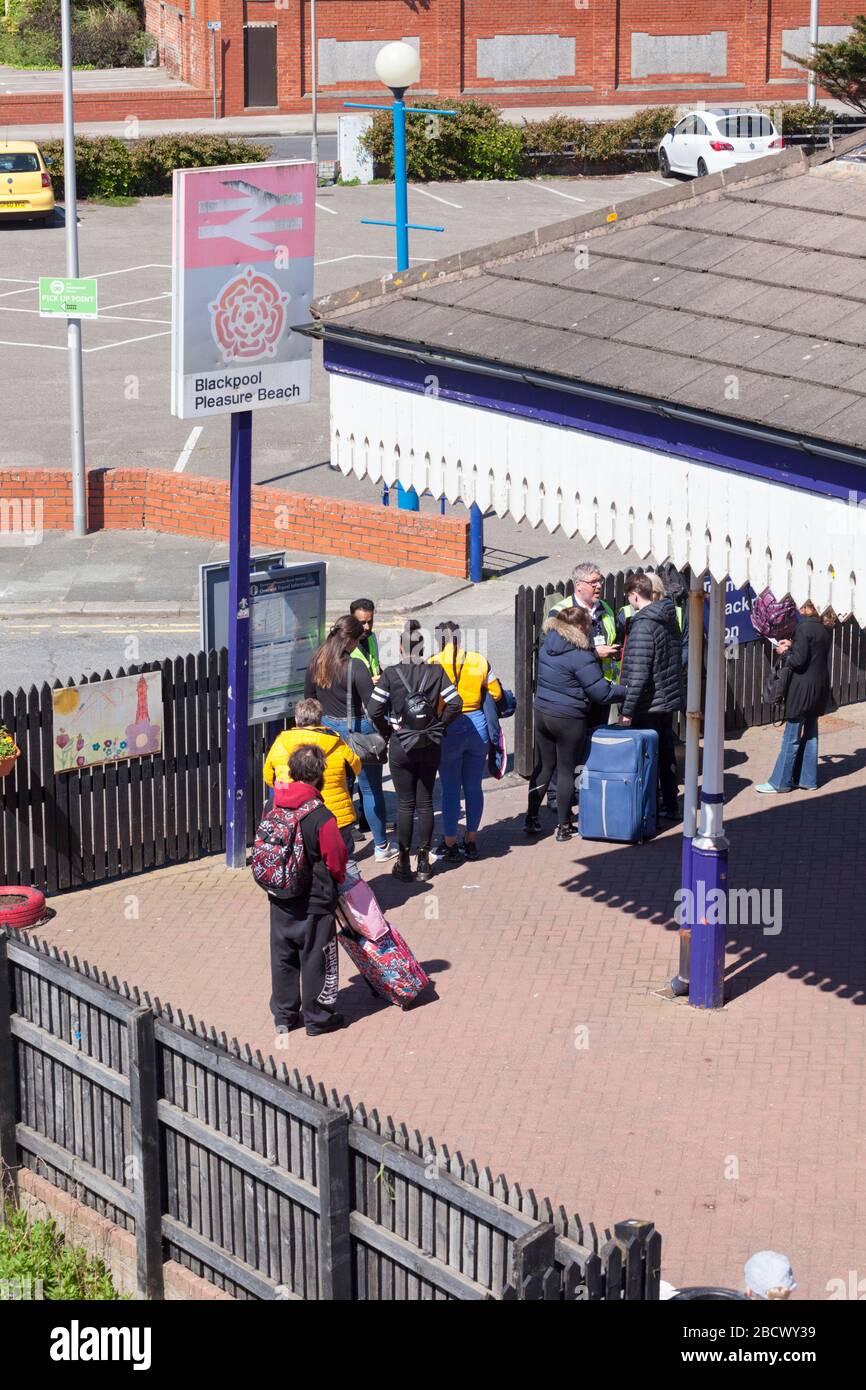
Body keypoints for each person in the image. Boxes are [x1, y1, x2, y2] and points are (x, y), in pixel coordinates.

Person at [367, 619, 462, 882]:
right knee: (426, 801)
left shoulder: (390, 674)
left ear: (400, 648)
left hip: (401, 743)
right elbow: (456, 703)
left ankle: (403, 862)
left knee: (405, 803)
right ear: (422, 650)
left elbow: (374, 710)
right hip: (430, 743)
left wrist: (388, 731)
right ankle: (424, 861)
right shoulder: (436, 671)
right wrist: (439, 726)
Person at [267, 744, 348, 1038]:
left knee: (283, 955)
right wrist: (337, 881)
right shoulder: (321, 816)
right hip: (314, 899)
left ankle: (285, 1015)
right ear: (319, 776)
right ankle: (318, 1018)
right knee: (316, 956)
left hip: (279, 895)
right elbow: (336, 858)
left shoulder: (274, 804)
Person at [525, 605, 625, 839]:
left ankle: (531, 818)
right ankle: (564, 826)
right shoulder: (581, 655)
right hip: (568, 717)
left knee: (544, 766)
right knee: (566, 770)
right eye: (589, 626)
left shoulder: (548, 644)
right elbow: (601, 693)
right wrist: (626, 691)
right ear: (581, 627)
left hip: (542, 712)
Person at [305, 615, 396, 862]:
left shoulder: (316, 662)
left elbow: (309, 699)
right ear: (351, 641)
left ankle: (332, 845)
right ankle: (380, 847)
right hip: (358, 731)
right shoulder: (355, 667)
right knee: (370, 790)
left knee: (332, 788)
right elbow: (372, 706)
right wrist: (386, 732)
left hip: (327, 732)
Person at [428, 622, 502, 862]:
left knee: (450, 788)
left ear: (439, 640)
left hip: (448, 727)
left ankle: (449, 844)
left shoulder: (432, 663)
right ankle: (471, 842)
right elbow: (497, 693)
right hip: (477, 724)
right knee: (473, 786)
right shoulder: (478, 660)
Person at [263, 697, 361, 876]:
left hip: (295, 817)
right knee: (345, 862)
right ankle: (356, 901)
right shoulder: (335, 741)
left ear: (296, 719)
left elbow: (268, 777)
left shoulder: (280, 742)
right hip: (335, 814)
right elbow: (356, 767)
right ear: (319, 719)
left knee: (300, 864)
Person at [618, 573, 684, 822]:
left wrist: (627, 709)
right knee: (666, 751)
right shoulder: (668, 617)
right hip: (666, 697)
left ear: (635, 595)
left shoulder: (643, 625)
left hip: (648, 702)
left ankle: (648, 810)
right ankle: (669, 803)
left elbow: (638, 673)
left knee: (648, 757)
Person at [755, 601, 836, 794]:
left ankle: (780, 782)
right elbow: (811, 651)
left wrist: (785, 651)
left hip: (802, 688)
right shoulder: (825, 627)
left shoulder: (804, 627)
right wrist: (794, 645)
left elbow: (798, 662)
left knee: (791, 736)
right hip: (819, 686)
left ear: (809, 607)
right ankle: (808, 780)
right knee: (811, 733)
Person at [349, 598, 381, 679]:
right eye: (362, 623)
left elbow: (376, 667)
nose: (367, 627)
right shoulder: (344, 645)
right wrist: (368, 682)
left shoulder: (371, 637)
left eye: (370, 622)